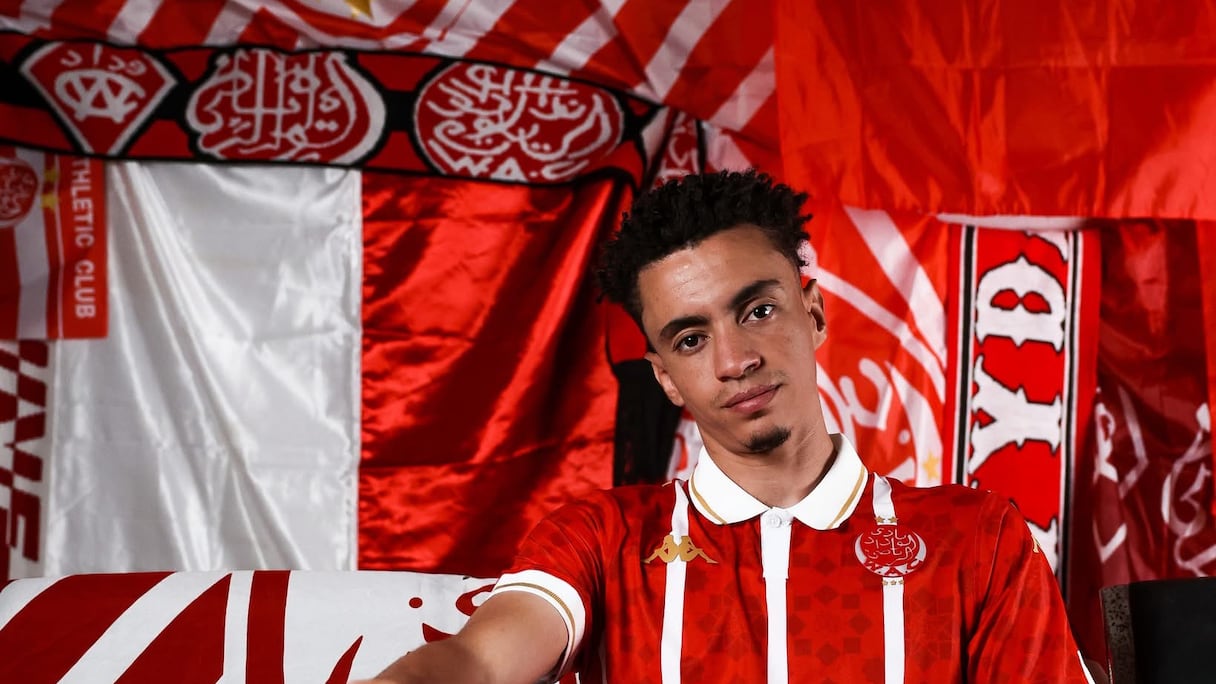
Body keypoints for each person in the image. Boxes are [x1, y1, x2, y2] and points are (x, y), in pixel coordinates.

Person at [357, 170, 1097, 683]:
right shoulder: (602, 539)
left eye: (758, 310)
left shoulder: (978, 538)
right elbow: (478, 662)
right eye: (690, 338)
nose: (735, 360)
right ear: (664, 377)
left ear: (813, 313)